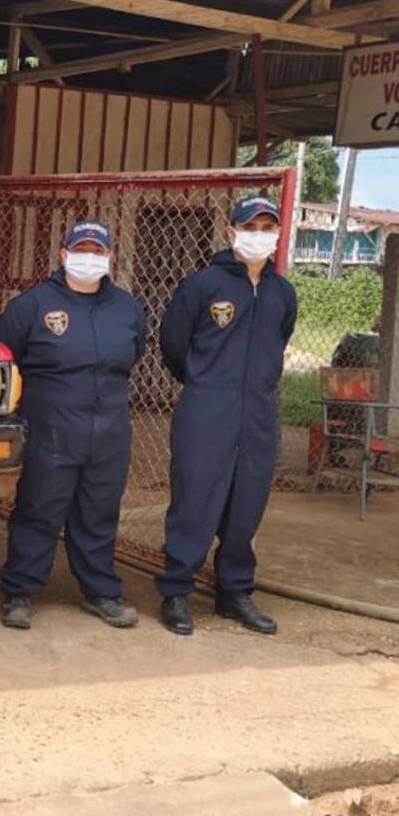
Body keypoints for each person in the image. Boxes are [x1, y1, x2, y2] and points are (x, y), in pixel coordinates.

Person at [0, 221, 147, 630]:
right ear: (63, 255)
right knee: (40, 508)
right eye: (81, 249)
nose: (89, 257)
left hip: (110, 431)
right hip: (52, 427)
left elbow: (135, 353)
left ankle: (100, 592)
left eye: (98, 251)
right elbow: (6, 360)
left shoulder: (126, 308)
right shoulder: (32, 306)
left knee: (98, 512)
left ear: (110, 258)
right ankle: (20, 592)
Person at [157, 197, 297, 636]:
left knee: (246, 505)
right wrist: (206, 383)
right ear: (232, 232)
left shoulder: (281, 292)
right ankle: (177, 591)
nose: (259, 233)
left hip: (258, 411)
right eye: (250, 225)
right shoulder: (203, 285)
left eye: (267, 226)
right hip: (207, 409)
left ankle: (234, 592)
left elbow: (281, 336)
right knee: (196, 500)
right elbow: (174, 345)